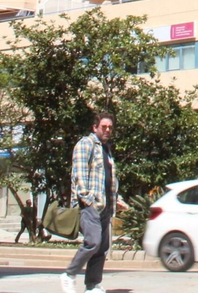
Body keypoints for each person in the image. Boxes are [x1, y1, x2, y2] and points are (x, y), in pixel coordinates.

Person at [62, 113, 125, 293]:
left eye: (110, 127)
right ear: (95, 127)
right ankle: (69, 275)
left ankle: (92, 285)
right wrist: (88, 200)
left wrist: (117, 200)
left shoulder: (106, 150)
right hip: (90, 205)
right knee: (93, 242)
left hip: (105, 206)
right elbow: (79, 174)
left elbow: (108, 179)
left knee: (102, 247)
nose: (107, 130)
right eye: (104, 127)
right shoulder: (85, 144)